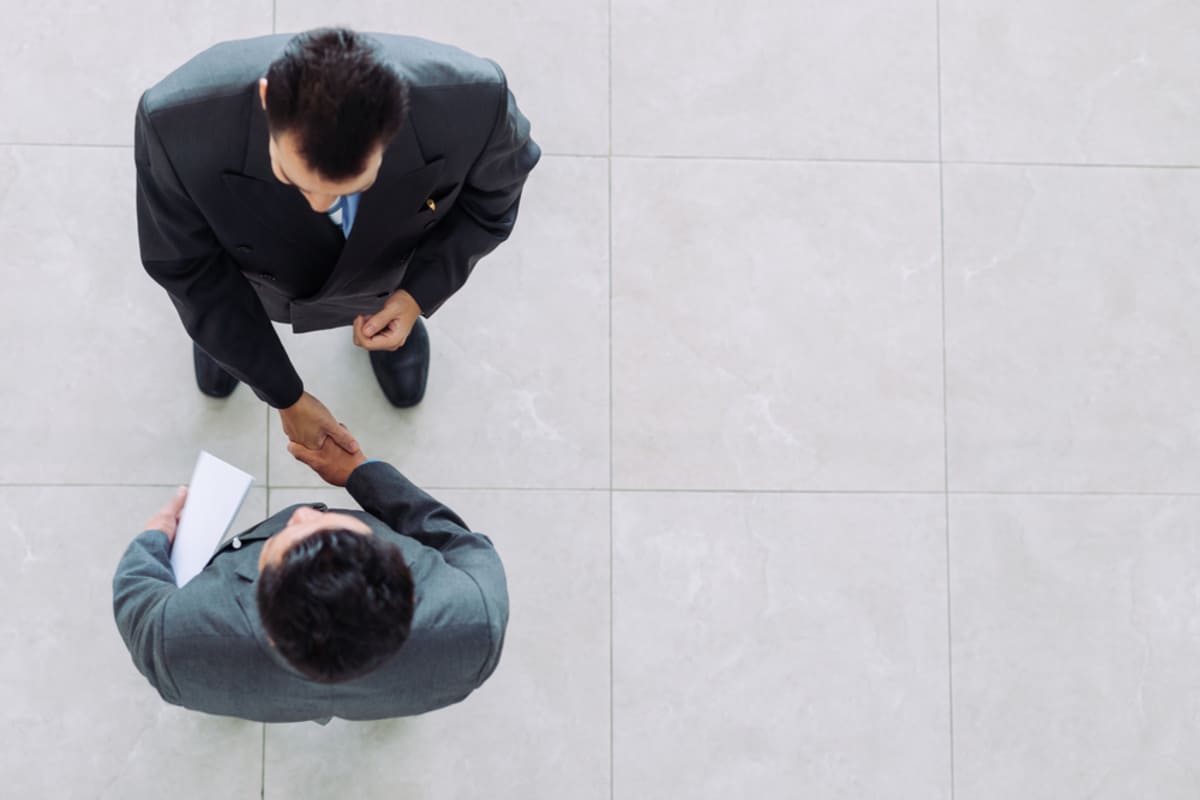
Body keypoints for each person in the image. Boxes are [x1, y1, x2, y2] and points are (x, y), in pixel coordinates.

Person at [136, 28, 540, 453]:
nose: (319, 204)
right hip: (248, 274)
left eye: (350, 187)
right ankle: (236, 345)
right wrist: (281, 390)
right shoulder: (173, 123)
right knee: (223, 322)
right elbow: (187, 265)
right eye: (294, 177)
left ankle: (382, 322)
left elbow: (490, 206)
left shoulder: (477, 103)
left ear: (395, 128)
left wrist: (415, 295)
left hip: (385, 264)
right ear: (266, 98)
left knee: (373, 284)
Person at [112, 439, 508, 722]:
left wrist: (155, 534)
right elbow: (458, 541)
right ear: (406, 578)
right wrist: (361, 475)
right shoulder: (478, 618)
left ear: (266, 626)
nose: (304, 513)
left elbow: (137, 586)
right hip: (389, 699)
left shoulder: (171, 640)